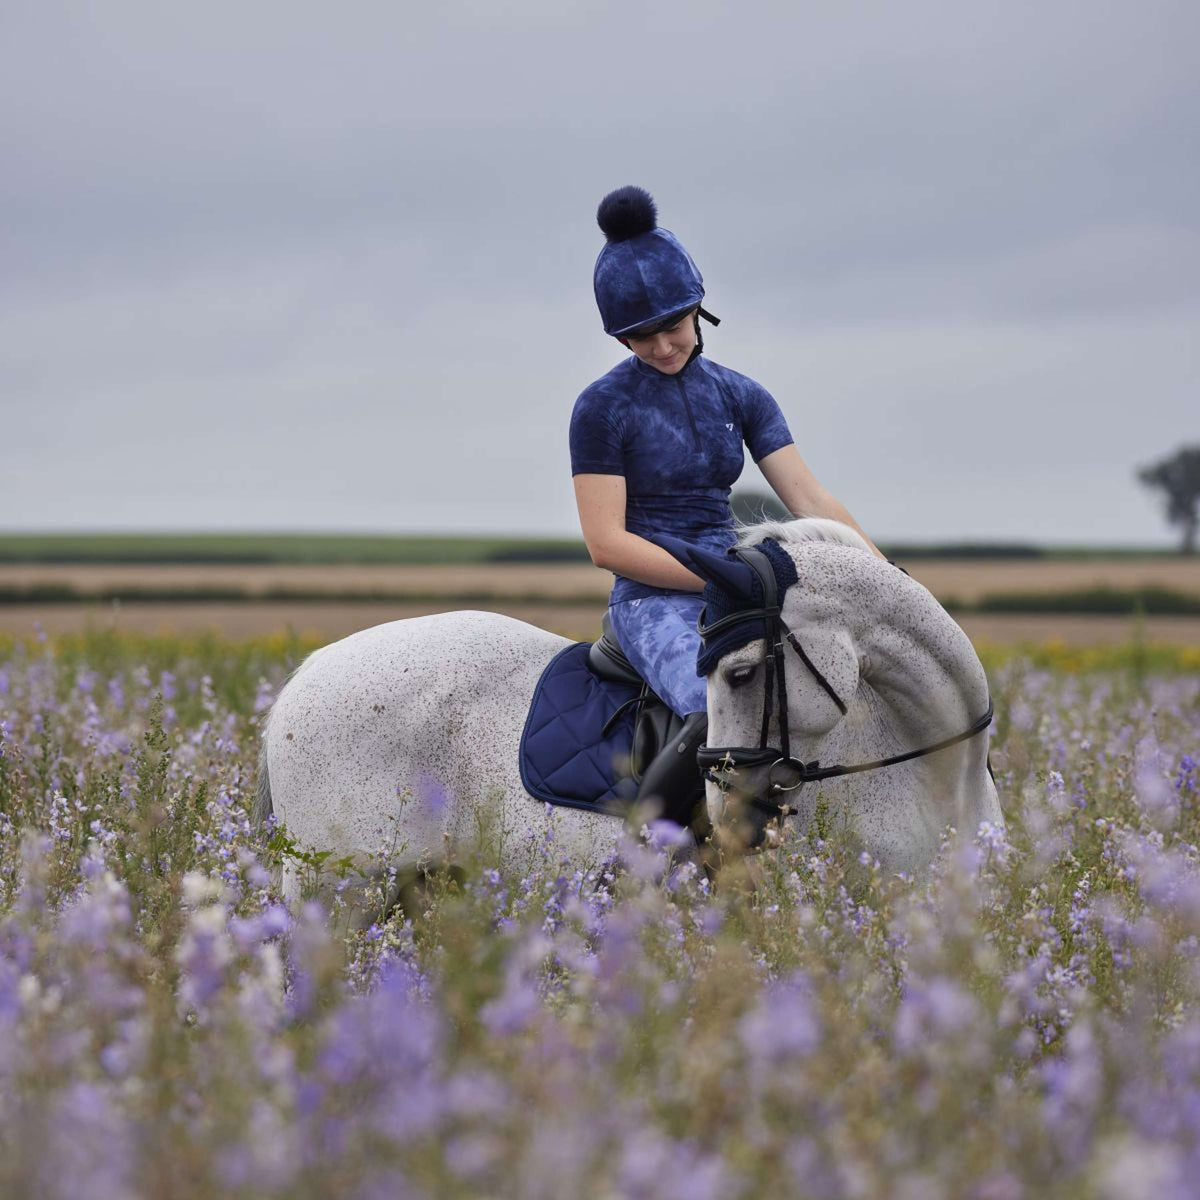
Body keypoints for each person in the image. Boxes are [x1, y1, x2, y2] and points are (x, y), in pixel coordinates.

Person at [569, 185, 879, 829]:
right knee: (719, 709)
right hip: (652, 601)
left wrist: (885, 575)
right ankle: (637, 854)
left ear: (699, 310)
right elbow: (606, 543)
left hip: (741, 589)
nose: (660, 347)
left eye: (673, 327)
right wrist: (723, 576)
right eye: (639, 337)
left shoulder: (743, 396)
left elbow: (810, 499)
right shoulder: (601, 408)